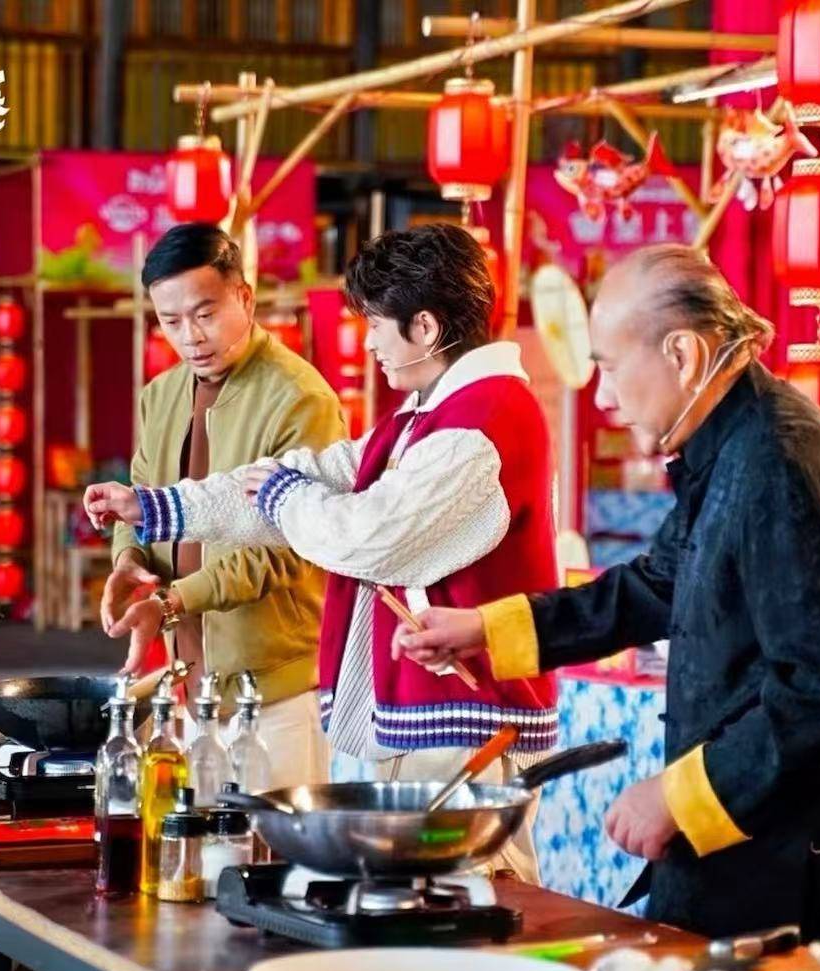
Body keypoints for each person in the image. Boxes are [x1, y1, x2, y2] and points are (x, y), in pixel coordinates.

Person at [409, 244, 820, 952]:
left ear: (681, 353)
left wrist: (675, 794)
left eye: (609, 367)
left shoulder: (777, 460)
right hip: (748, 829)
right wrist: (488, 627)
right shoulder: (729, 438)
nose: (602, 397)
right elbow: (657, 581)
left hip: (785, 849)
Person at [87, 224, 563, 780]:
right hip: (429, 711)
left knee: (464, 870)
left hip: (470, 718)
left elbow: (366, 537)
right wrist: (153, 510)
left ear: (426, 327)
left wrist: (279, 496)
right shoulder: (425, 415)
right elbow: (307, 475)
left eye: (376, 325)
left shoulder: (480, 423)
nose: (368, 343)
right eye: (171, 320)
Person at [124, 222, 352, 758]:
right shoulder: (159, 395)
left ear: (244, 299)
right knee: (195, 839)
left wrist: (176, 599)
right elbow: (140, 496)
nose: (190, 337)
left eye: (205, 315)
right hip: (186, 683)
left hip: (276, 691)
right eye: (171, 321)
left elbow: (288, 547)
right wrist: (127, 561)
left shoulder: (300, 398)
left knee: (272, 842)